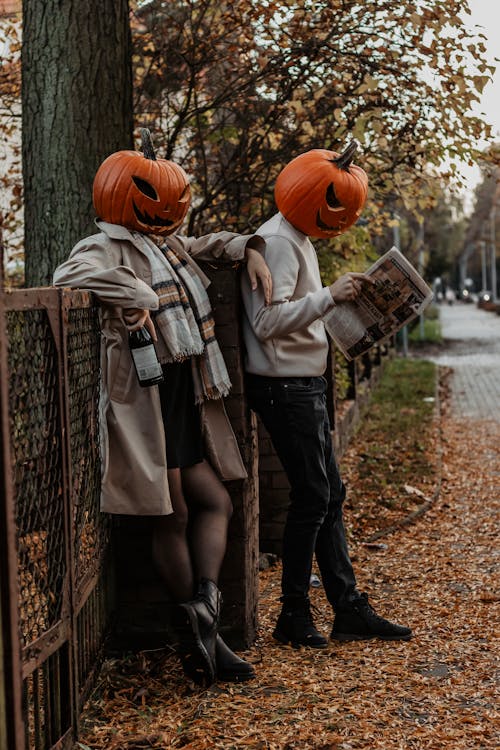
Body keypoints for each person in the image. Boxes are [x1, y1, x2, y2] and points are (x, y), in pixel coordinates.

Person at [53, 129, 272, 685]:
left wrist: (247, 248)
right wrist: (138, 295)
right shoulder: (106, 244)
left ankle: (204, 611)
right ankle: (205, 638)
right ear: (121, 193)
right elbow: (67, 275)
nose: (169, 206)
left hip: (182, 391)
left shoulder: (169, 245)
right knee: (171, 514)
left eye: (176, 196)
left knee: (216, 500)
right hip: (144, 396)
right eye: (154, 194)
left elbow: (207, 245)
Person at [241, 144, 412, 648]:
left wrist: (350, 317)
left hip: (304, 385)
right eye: (336, 203)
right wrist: (328, 297)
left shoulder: (298, 236)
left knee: (330, 494)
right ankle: (293, 613)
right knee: (313, 496)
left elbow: (301, 314)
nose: (343, 218)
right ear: (309, 191)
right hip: (283, 388)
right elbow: (266, 322)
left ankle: (348, 607)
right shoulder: (275, 241)